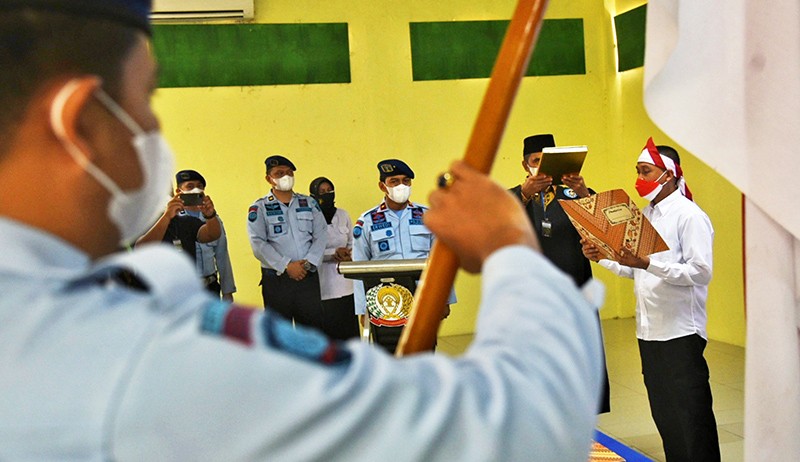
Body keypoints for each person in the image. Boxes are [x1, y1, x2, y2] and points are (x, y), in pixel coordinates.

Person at [0, 1, 602, 459]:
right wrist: (509, 248)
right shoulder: (145, 351)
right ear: (77, 122)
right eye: (147, 98)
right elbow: (524, 426)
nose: (154, 127)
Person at [582, 137, 719, 461]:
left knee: (692, 418)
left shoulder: (689, 216)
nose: (639, 179)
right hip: (649, 331)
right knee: (666, 416)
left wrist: (647, 263)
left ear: (668, 175)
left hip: (680, 332)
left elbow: (701, 272)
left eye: (645, 171)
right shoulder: (645, 214)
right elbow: (637, 271)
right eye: (638, 171)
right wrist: (601, 257)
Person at [510, 133, 610, 414]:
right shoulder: (511, 198)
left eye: (547, 162)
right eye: (535, 161)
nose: (541, 168)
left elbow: (605, 228)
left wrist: (582, 193)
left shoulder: (574, 194)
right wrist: (526, 194)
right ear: (524, 164)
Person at [352, 159, 455, 353]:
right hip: (384, 300)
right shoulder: (367, 221)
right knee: (388, 352)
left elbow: (441, 260)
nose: (401, 185)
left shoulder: (427, 216)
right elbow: (359, 267)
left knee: (424, 351)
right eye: (394, 181)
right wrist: (362, 309)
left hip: (423, 297)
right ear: (382, 186)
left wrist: (445, 298)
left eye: (406, 180)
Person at [247, 155, 327, 330]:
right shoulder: (259, 207)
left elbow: (321, 234)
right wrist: (286, 266)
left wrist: (309, 262)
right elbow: (258, 243)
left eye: (289, 172)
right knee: (279, 335)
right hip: (277, 281)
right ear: (269, 179)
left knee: (312, 334)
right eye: (279, 173)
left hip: (307, 276)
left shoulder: (309, 202)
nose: (285, 176)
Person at [309, 176, 359, 341]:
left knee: (348, 333)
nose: (326, 194)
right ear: (313, 195)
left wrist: (349, 252)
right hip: (322, 284)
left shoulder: (343, 215)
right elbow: (308, 250)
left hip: (346, 283)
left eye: (329, 190)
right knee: (328, 335)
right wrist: (332, 253)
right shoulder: (309, 217)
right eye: (322, 191)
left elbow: (352, 240)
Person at [175, 169, 237, 301]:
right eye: (190, 186)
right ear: (179, 191)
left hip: (210, 287)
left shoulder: (212, 219)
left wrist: (227, 291)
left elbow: (222, 255)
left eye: (199, 186)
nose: (195, 189)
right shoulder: (172, 221)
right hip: (183, 291)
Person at [135, 171, 221, 260]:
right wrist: (166, 216)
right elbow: (142, 248)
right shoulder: (140, 223)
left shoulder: (186, 221)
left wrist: (210, 215)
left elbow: (212, 235)